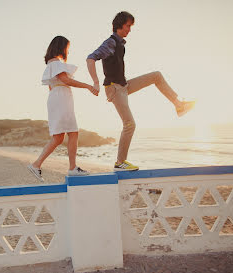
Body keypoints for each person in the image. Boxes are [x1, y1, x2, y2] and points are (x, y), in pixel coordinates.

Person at [86, 11, 195, 171]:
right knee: (129, 124)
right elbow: (90, 58)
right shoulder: (111, 43)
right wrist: (95, 82)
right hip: (114, 89)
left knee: (156, 76)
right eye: (128, 26)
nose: (130, 29)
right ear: (119, 25)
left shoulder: (120, 44)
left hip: (123, 85)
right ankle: (120, 162)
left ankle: (179, 105)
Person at [28, 36, 99, 182]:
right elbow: (66, 80)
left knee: (59, 137)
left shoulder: (50, 65)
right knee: (73, 132)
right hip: (61, 97)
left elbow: (51, 86)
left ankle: (36, 164)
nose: (68, 51)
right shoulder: (56, 63)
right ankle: (73, 168)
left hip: (56, 96)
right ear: (61, 47)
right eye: (67, 48)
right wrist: (88, 86)